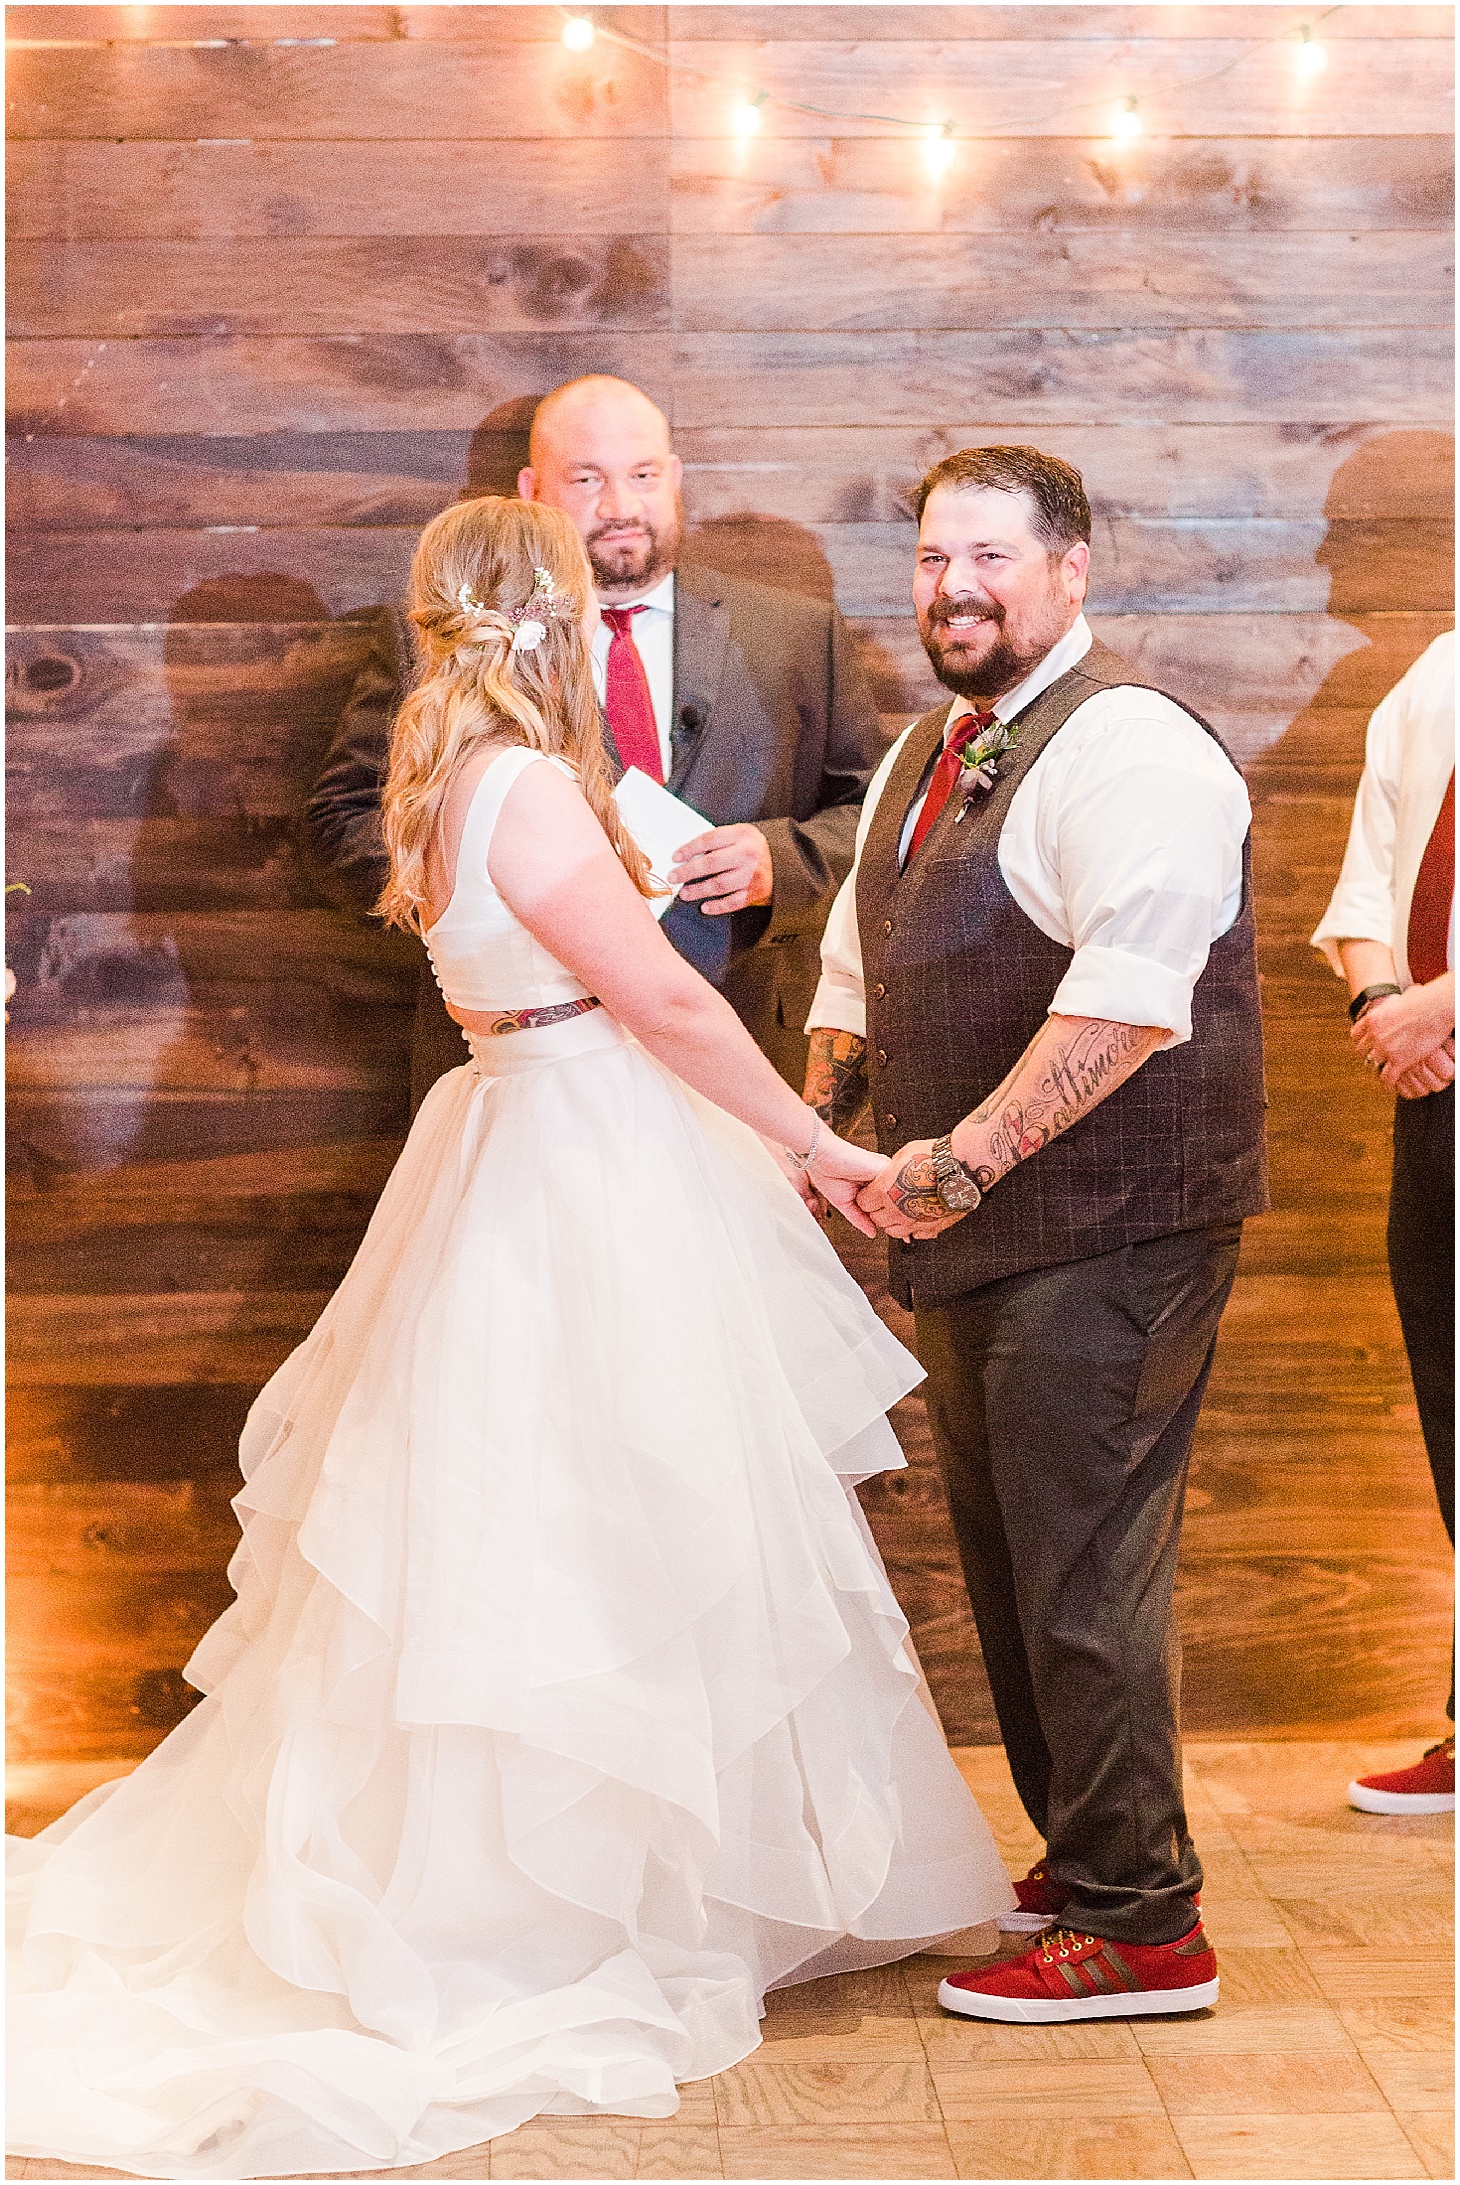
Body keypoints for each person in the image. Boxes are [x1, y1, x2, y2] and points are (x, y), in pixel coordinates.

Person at [8, 497, 1013, 2178]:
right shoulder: (527, 782)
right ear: (546, 613)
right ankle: (572, 1902)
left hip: (512, 1129)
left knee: (552, 1528)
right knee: (617, 1527)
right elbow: (667, 997)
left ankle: (659, 1874)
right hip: (580, 1156)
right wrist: (818, 1147)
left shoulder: (436, 769)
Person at [804, 444, 1269, 2025]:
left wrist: (958, 1165)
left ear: (1071, 571)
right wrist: (816, 1129)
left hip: (1116, 1228)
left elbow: (1128, 1005)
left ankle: (1146, 1925)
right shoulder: (922, 752)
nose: (956, 588)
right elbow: (858, 970)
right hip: (980, 1232)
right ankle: (1087, 1863)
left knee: (1085, 1569)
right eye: (936, 559)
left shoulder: (1131, 743)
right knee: (1014, 1562)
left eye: (991, 558)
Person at [306, 375, 884, 1105]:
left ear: (674, 476)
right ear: (532, 490)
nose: (620, 507)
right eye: (587, 479)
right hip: (533, 1065)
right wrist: (500, 888)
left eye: (643, 475)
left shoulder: (796, 632)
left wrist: (782, 864)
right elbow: (344, 822)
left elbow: (880, 816)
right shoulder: (440, 637)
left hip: (745, 1042)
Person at [1312, 629, 1455, 1817]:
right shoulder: (1435, 673)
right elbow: (1366, 879)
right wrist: (1382, 1004)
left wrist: (1439, 1006)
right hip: (1434, 1090)